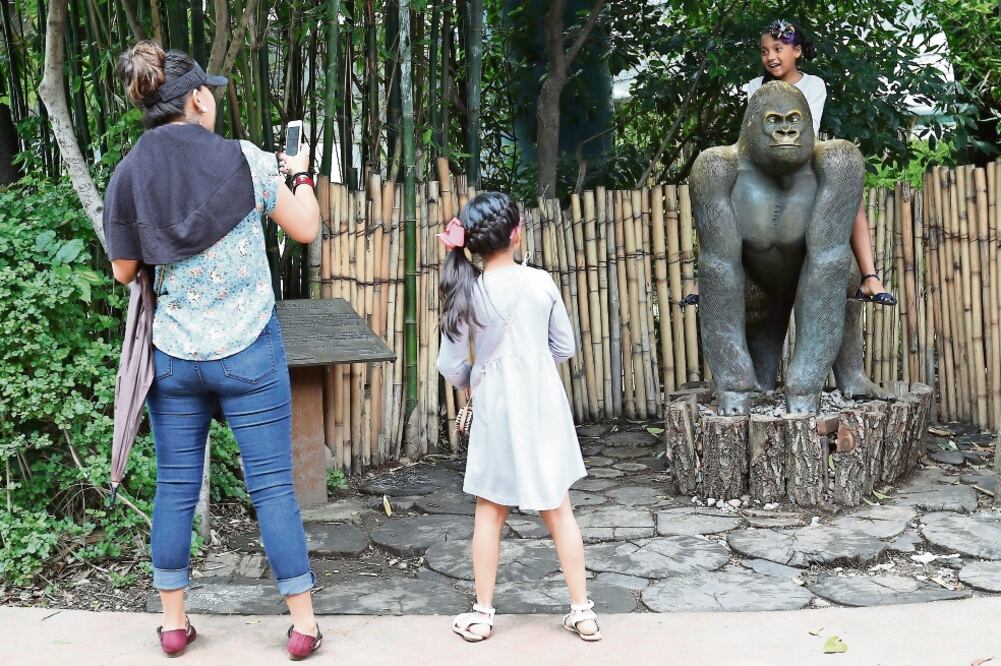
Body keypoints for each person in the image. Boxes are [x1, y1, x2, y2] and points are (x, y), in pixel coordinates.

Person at [103, 41, 323, 660]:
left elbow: (123, 271)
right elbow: (306, 227)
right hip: (249, 350)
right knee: (272, 488)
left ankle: (174, 625)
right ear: (198, 97)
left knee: (174, 487)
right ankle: (303, 627)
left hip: (175, 356)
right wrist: (300, 175)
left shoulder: (129, 173)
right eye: (212, 93)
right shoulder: (245, 160)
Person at [435, 192, 601, 643]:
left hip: (495, 407)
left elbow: (449, 365)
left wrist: (476, 378)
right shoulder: (541, 282)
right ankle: (583, 612)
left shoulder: (468, 291)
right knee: (559, 508)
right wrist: (532, 365)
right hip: (543, 404)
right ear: (515, 233)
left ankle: (482, 613)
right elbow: (564, 347)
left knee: (489, 510)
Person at [748, 19, 897, 306]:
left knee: (851, 194)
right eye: (765, 51)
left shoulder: (813, 84)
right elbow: (753, 132)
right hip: (765, 161)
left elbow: (808, 127)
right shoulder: (755, 86)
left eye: (778, 49)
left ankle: (870, 277)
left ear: (797, 51)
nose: (771, 57)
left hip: (803, 157)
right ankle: (708, 282)